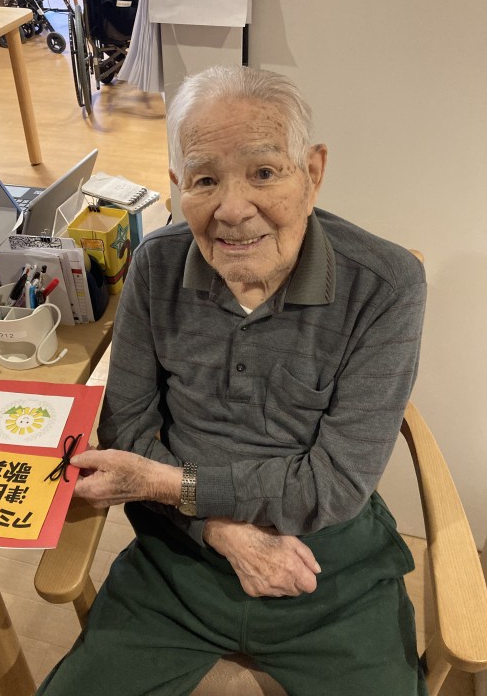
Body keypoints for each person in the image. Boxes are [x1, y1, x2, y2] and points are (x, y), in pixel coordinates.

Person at [37, 66, 428, 696]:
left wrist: (166, 484)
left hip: (328, 562)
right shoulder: (155, 266)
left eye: (264, 172)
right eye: (205, 180)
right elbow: (128, 426)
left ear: (313, 172)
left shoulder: (386, 286)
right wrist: (219, 530)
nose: (234, 209)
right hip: (180, 555)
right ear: (177, 188)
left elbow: (335, 484)